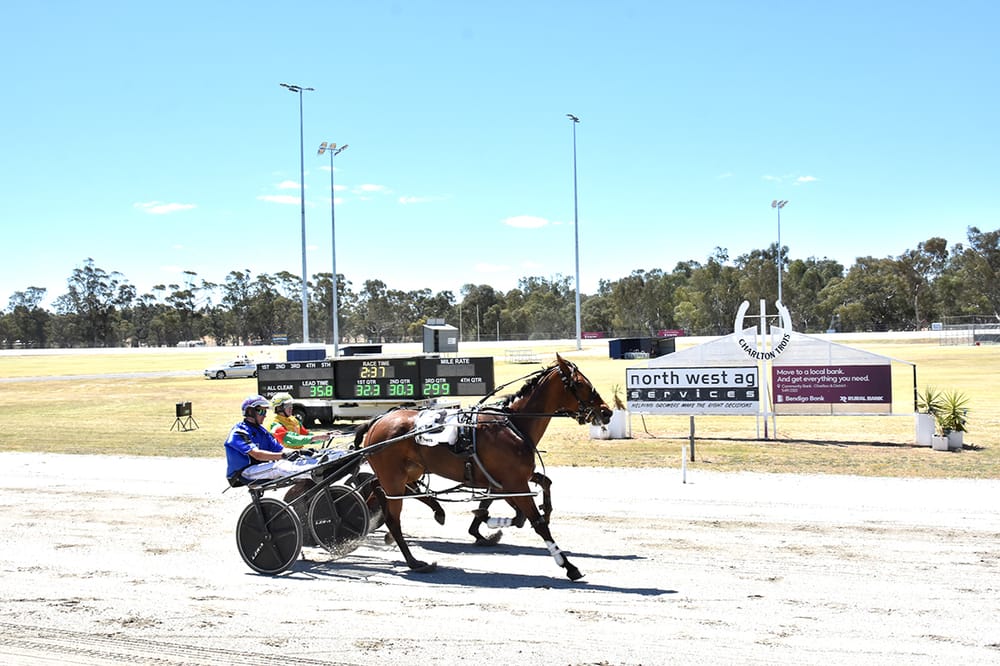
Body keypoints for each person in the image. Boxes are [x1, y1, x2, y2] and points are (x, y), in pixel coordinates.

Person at [224, 395, 320, 485]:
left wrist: (300, 453)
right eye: (261, 411)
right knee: (279, 466)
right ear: (250, 412)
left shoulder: (262, 431)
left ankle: (318, 466)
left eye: (265, 412)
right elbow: (257, 455)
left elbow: (280, 449)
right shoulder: (239, 432)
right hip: (243, 473)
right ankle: (315, 474)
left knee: (297, 460)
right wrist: (284, 456)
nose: (265, 415)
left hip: (259, 468)